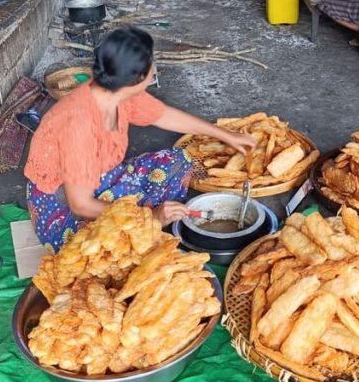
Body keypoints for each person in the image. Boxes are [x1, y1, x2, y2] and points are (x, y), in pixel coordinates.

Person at [25, 26, 254, 253]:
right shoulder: (79, 125)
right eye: (152, 70)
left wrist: (226, 135)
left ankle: (153, 217)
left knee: (179, 160)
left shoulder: (114, 90)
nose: (154, 72)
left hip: (103, 176)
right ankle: (152, 220)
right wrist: (149, 217)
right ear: (135, 80)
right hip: (63, 205)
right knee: (102, 249)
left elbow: (162, 114)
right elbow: (80, 204)